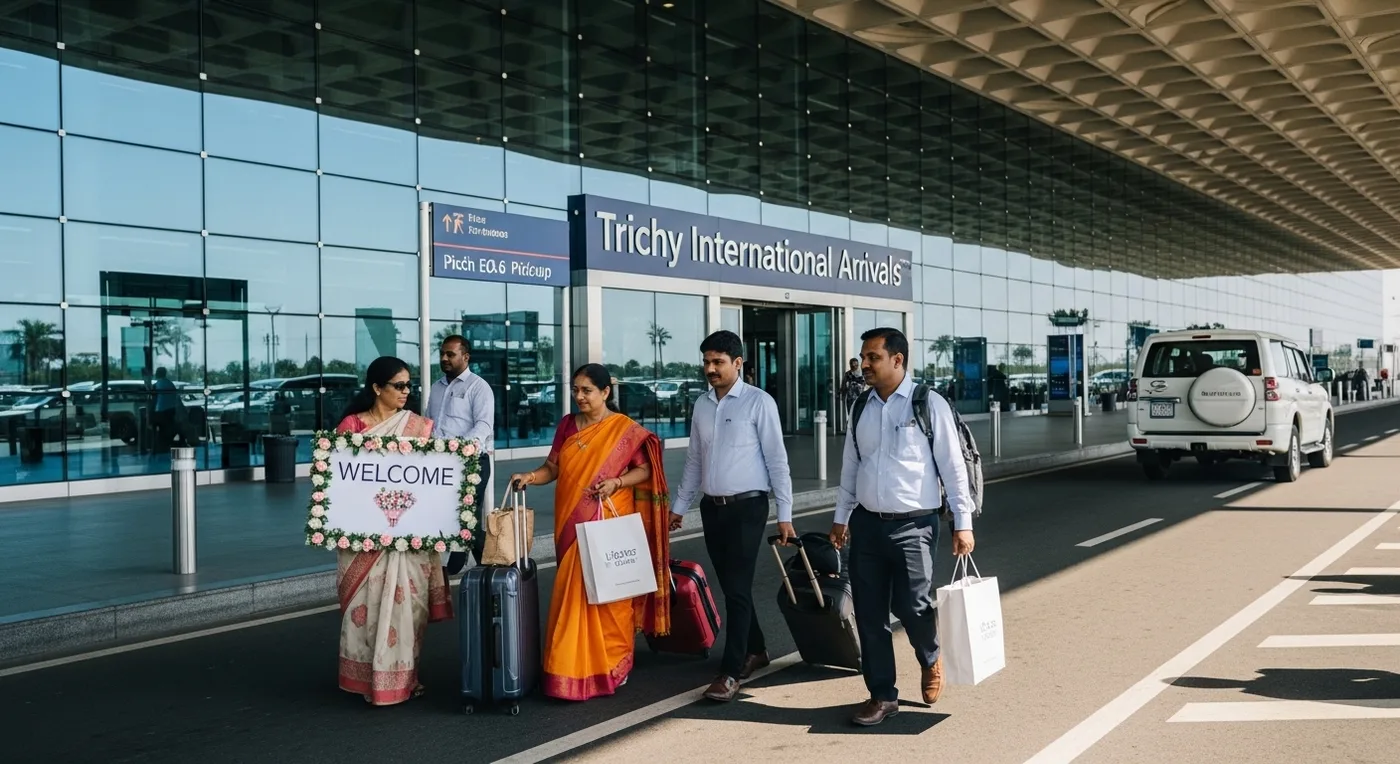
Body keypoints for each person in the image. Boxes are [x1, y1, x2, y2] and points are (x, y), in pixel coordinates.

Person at [830, 327, 976, 727]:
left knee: (913, 605)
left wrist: (962, 523)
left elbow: (953, 467)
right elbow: (851, 466)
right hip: (867, 524)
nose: (864, 364)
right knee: (869, 613)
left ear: (898, 360)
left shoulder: (927, 403)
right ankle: (882, 695)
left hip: (915, 526)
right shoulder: (861, 406)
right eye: (863, 357)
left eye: (873, 357)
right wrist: (841, 517)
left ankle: (930, 657)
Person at [509, 363, 672, 701]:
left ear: (605, 392)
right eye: (576, 390)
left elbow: (645, 471)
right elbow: (552, 467)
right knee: (573, 592)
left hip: (608, 518)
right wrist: (530, 477)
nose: (579, 396)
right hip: (571, 521)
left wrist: (617, 482)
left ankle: (613, 664)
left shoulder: (623, 430)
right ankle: (568, 669)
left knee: (611, 594)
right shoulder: (567, 425)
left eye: (587, 390)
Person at [670, 330, 793, 702]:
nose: (710, 368)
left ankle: (731, 671)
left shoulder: (759, 402)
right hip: (713, 508)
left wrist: (785, 513)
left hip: (747, 508)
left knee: (737, 587)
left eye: (718, 362)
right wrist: (679, 507)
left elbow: (777, 460)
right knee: (731, 586)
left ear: (737, 363)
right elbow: (694, 460)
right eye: (706, 362)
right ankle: (756, 649)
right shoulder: (702, 405)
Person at [334, 356, 453, 706]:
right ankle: (363, 679)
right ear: (376, 388)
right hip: (365, 535)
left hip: (408, 534)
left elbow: (431, 479)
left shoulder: (418, 427)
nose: (406, 392)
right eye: (399, 386)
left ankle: (403, 678)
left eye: (408, 386)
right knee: (365, 608)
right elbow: (339, 481)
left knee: (407, 609)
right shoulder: (352, 427)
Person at [426, 335, 494, 573]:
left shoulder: (479, 387)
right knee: (450, 515)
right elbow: (430, 423)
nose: (444, 358)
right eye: (442, 354)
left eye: (450, 354)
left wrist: (459, 448)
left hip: (472, 463)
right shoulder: (436, 387)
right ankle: (462, 562)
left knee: (468, 518)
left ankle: (493, 567)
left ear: (465, 357)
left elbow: (483, 426)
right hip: (442, 464)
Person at [842, 357, 865, 431]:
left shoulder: (862, 373)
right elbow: (843, 385)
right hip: (850, 397)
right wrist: (842, 394)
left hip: (860, 397)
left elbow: (865, 384)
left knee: (860, 413)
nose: (854, 366)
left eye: (856, 364)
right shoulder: (848, 374)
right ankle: (852, 429)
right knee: (851, 413)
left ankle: (859, 429)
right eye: (852, 364)